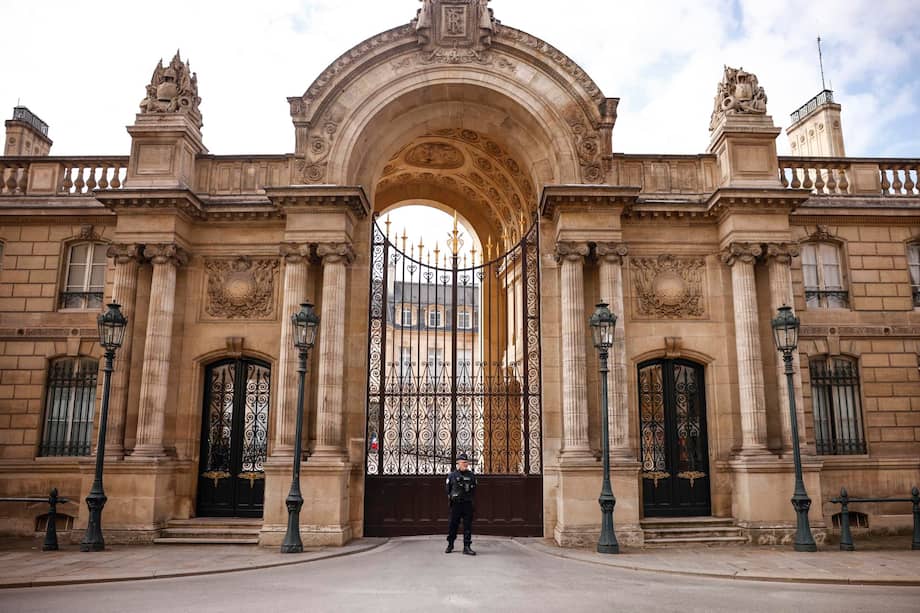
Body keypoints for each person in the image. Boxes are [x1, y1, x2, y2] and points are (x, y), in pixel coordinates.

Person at [445, 452, 477, 555]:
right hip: (456, 505)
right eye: (463, 462)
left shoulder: (471, 475)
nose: (465, 464)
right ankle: (450, 544)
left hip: (467, 504)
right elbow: (448, 489)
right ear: (458, 463)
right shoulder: (452, 475)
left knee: (467, 525)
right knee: (453, 525)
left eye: (466, 462)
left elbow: (474, 489)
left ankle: (467, 547)